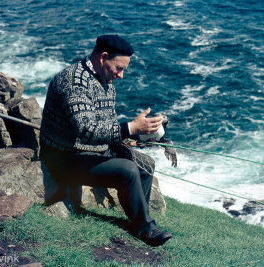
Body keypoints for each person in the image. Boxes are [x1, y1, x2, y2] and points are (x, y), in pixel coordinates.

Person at [39, 34, 172, 247]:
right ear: (103, 58)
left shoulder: (105, 80)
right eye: (119, 68)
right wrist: (130, 128)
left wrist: (135, 136)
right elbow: (87, 131)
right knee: (127, 170)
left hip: (91, 151)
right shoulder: (74, 82)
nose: (121, 75)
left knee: (146, 165)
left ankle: (139, 219)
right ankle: (146, 229)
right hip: (65, 157)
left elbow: (107, 126)